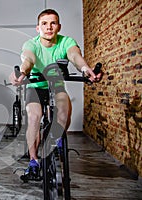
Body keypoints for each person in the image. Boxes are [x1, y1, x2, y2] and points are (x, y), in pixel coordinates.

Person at [9, 9, 101, 177]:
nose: (49, 27)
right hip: (35, 85)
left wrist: (85, 68)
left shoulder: (66, 42)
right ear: (38, 28)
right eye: (44, 24)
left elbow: (74, 55)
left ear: (59, 26)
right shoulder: (32, 44)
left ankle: (56, 137)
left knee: (64, 113)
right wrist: (22, 72)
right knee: (34, 117)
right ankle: (33, 160)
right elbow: (28, 59)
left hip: (56, 84)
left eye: (53, 23)